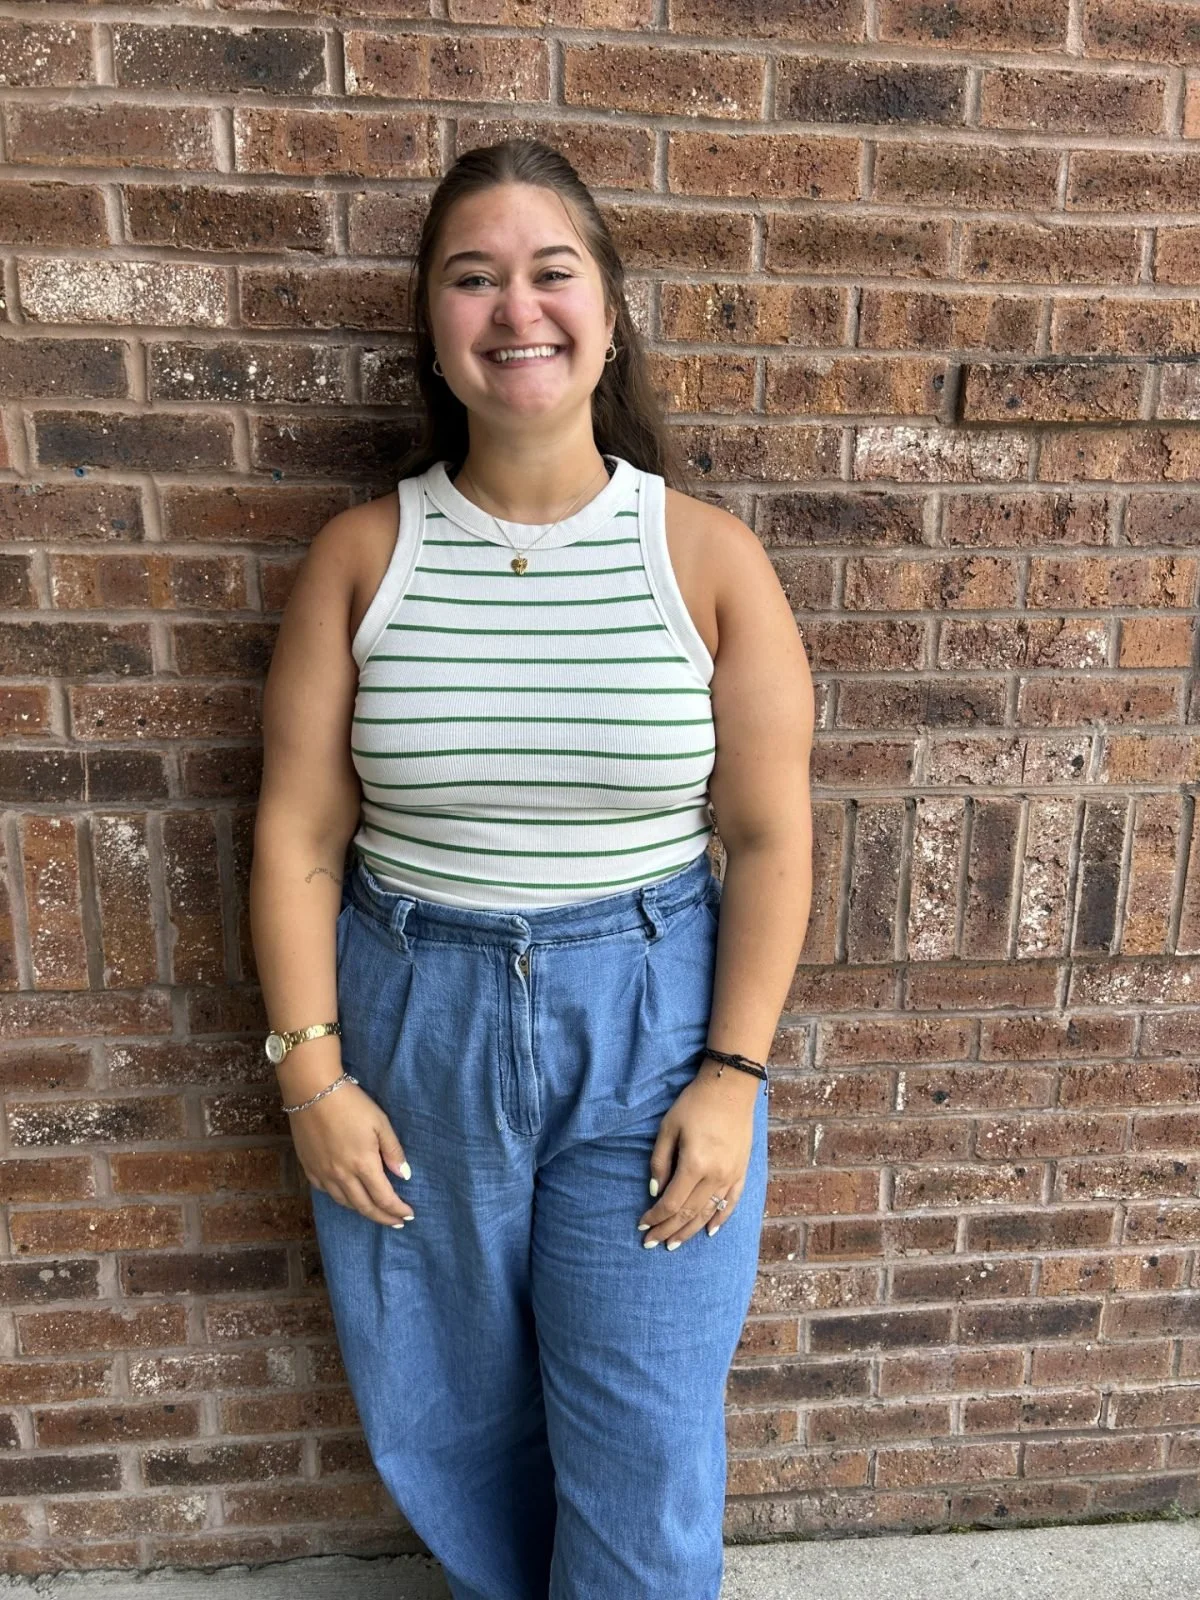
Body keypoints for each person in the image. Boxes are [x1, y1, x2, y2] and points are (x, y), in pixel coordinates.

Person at [250, 136, 814, 1600]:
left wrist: (733, 1076)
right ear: (433, 328)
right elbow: (300, 835)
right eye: (474, 278)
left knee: (644, 1427)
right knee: (447, 1410)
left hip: (651, 1024)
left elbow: (769, 837)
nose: (519, 311)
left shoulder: (703, 561)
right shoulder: (362, 559)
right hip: (413, 1017)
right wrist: (312, 1077)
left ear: (608, 312)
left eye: (552, 274)